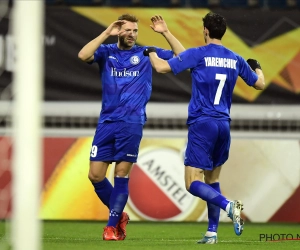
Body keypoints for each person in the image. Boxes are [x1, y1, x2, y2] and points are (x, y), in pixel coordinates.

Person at [143, 12, 265, 244]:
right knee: (212, 180)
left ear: (205, 31)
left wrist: (149, 50)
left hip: (203, 123)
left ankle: (229, 205)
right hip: (224, 126)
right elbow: (259, 84)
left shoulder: (199, 55)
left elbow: (160, 67)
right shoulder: (235, 58)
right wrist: (257, 67)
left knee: (192, 183)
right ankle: (212, 233)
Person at [78, 14, 185, 241]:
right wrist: (107, 32)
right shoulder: (106, 52)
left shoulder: (146, 53)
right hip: (106, 122)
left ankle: (110, 227)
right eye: (127, 30)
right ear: (118, 31)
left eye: (135, 31)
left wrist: (165, 32)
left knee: (120, 174)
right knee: (95, 175)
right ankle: (120, 217)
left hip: (131, 123)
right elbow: (83, 55)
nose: (132, 35)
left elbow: (182, 56)